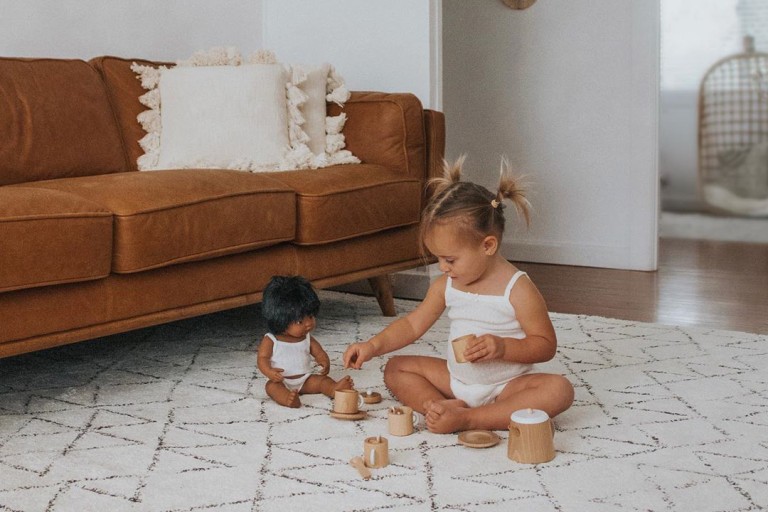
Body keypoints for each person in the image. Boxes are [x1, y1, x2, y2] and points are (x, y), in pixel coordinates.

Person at [343, 157, 574, 433]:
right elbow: (412, 325)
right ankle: (441, 407)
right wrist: (372, 346)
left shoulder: (518, 288)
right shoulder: (446, 285)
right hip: (456, 381)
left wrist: (502, 347)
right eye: (438, 258)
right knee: (396, 368)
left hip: (506, 386)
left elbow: (545, 345)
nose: (442, 267)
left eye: (450, 259)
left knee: (559, 390)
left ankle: (472, 419)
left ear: (487, 246)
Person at [258, 275, 353, 408]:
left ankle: (334, 389)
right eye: (300, 321)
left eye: (311, 316)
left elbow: (319, 352)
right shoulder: (271, 340)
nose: (309, 324)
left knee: (322, 381)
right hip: (281, 381)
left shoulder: (307, 338)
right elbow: (262, 358)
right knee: (271, 387)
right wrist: (269, 372)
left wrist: (324, 360)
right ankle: (287, 398)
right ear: (280, 320)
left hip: (305, 379)